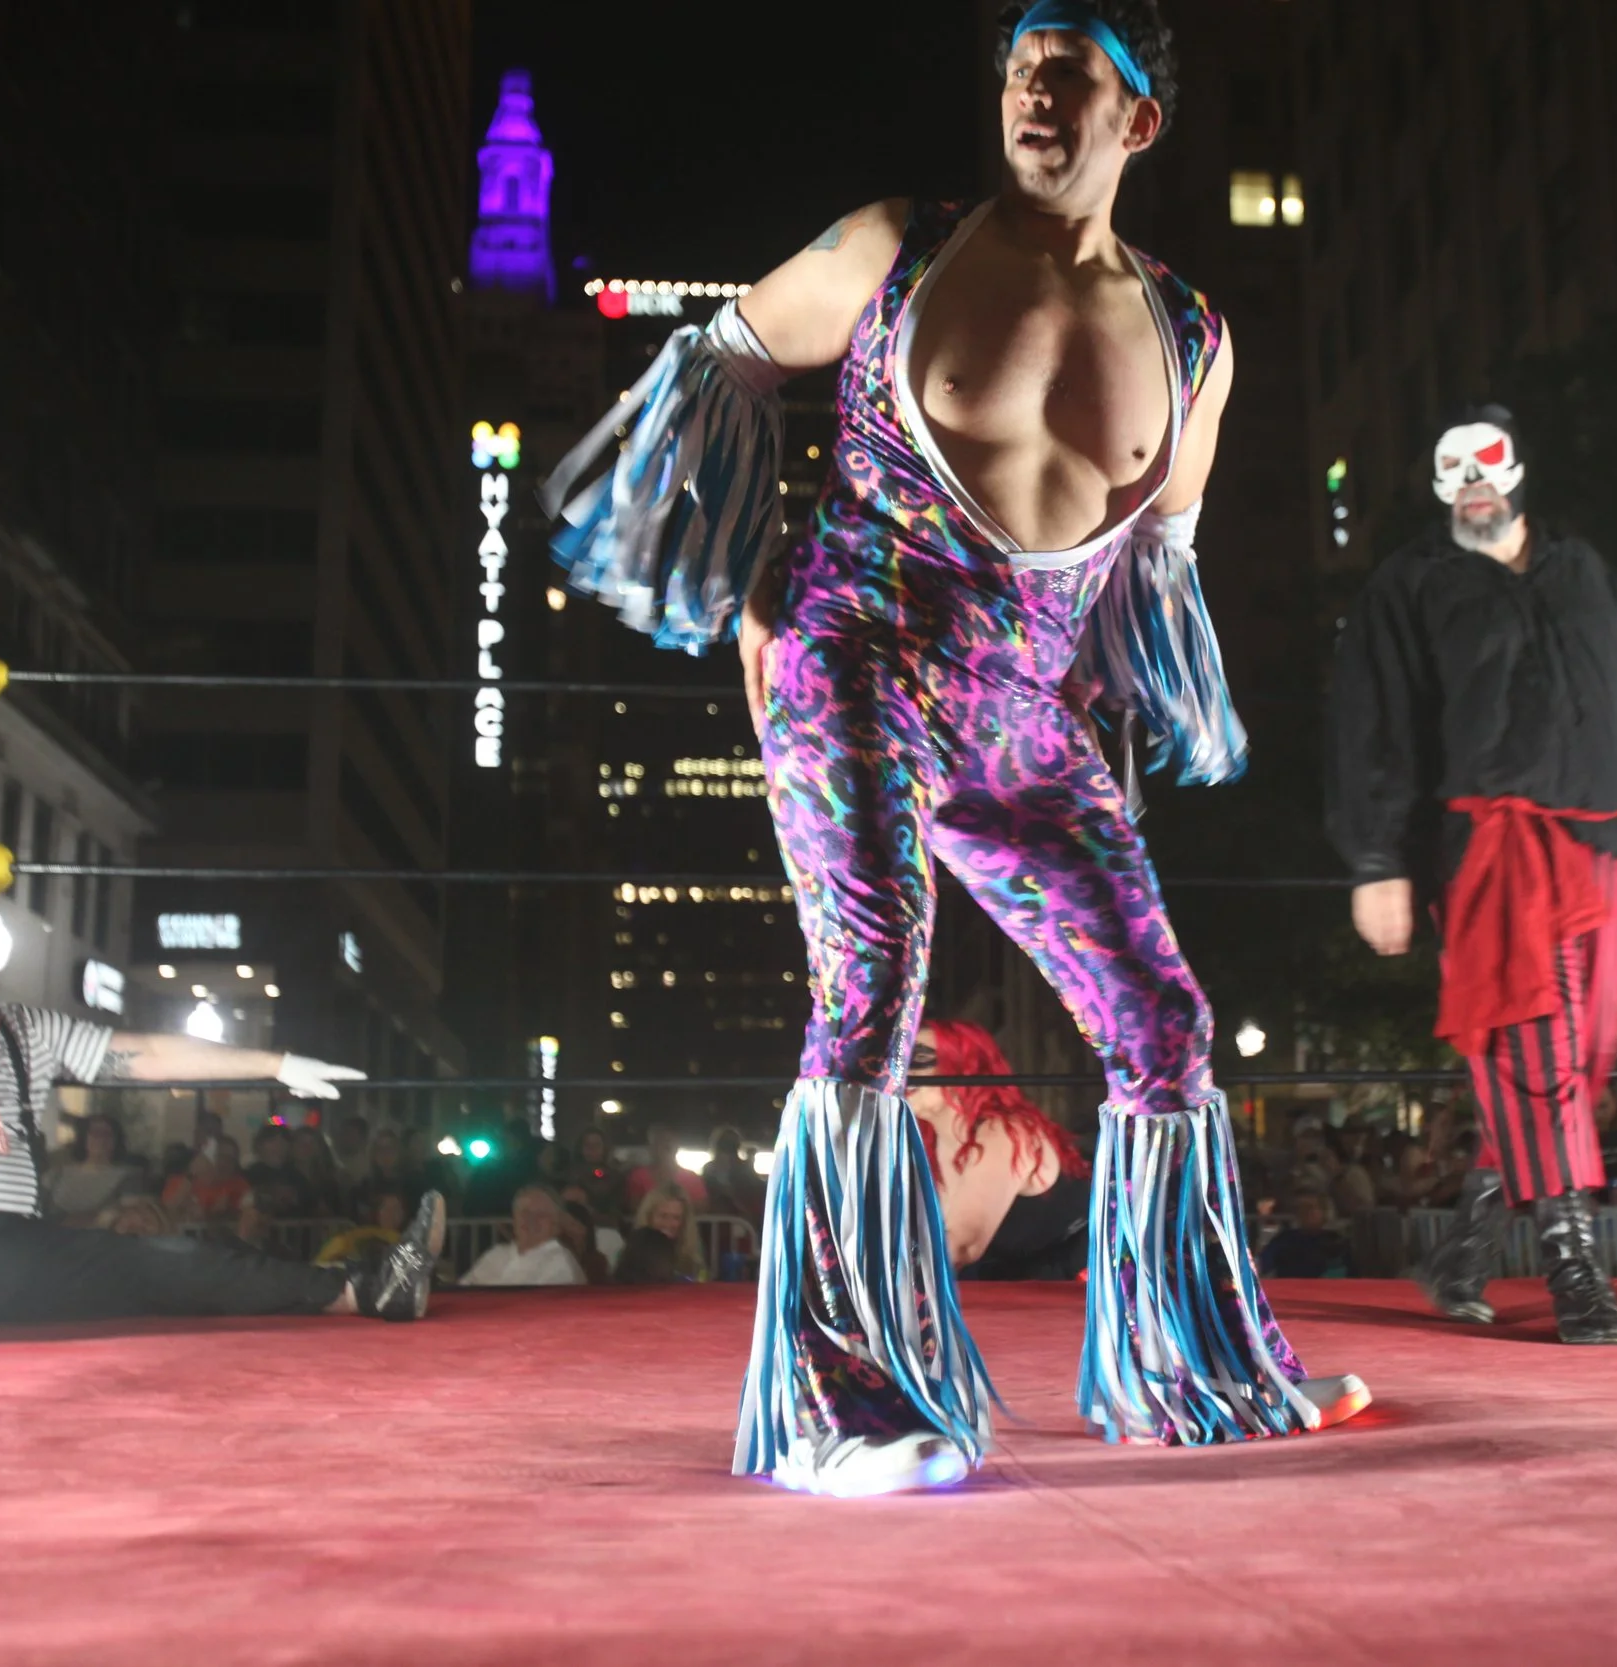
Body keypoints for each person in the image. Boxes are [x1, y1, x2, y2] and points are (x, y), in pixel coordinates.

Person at [543, 0, 1364, 1494]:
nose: (1034, 92)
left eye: (1070, 72)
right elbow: (718, 360)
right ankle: (838, 1404)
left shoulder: (1193, 340)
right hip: (858, 663)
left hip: (1025, 720)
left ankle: (1196, 1363)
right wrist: (752, 592)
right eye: (1019, 69)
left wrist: (1105, 726)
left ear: (1140, 119)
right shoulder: (892, 250)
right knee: (872, 988)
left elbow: (1149, 569)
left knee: (1165, 1026)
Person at [1331, 404, 1617, 1346]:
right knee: (1534, 1051)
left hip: (1604, 837)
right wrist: (1377, 858)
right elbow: (1373, 723)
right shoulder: (1409, 584)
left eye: (1487, 463)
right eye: (1452, 469)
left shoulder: (1585, 569)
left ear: (1520, 470)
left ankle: (1462, 1254)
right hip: (1487, 846)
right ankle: (1576, 1273)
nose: (1472, 483)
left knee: (1588, 1055)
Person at [0, 892, 445, 1348]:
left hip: (18, 1246)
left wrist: (276, 1063)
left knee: (170, 1259)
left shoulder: (28, 1028)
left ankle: (369, 1289)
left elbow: (146, 1053)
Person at [906, 1019, 1090, 1280]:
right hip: (1001, 1287)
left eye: (920, 1058)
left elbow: (961, 1246)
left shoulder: (1005, 1131)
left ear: (963, 1066)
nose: (903, 1073)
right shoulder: (925, 1141)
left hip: (1071, 1285)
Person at [460, 1184, 587, 1287]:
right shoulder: (497, 1254)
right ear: (514, 1219)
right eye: (525, 1213)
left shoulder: (560, 1262)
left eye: (541, 1215)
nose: (531, 1220)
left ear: (556, 1225)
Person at [42, 1112, 144, 1227]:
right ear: (84, 1138)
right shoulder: (56, 1174)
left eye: (107, 1134)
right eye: (95, 1133)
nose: (101, 1139)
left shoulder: (130, 1177)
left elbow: (128, 1218)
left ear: (116, 1141)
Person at [618, 1181, 705, 1283]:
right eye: (663, 1216)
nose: (669, 1224)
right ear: (649, 1217)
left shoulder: (694, 1251)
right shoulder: (630, 1253)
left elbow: (702, 1281)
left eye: (676, 1218)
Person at [1256, 1189, 1353, 1279]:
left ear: (1323, 1212)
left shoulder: (1337, 1242)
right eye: (1300, 1209)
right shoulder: (1284, 1240)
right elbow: (1261, 1265)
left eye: (1310, 1207)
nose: (1305, 1213)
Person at [160, 1136, 248, 1228]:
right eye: (220, 1156)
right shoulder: (178, 1182)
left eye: (230, 1159)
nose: (224, 1162)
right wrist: (190, 1177)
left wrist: (221, 1214)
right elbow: (165, 1214)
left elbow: (244, 1220)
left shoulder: (239, 1186)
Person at [241, 1124, 314, 1220]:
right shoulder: (248, 1175)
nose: (278, 1146)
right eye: (272, 1140)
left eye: (283, 1141)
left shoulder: (297, 1177)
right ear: (259, 1145)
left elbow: (311, 1206)